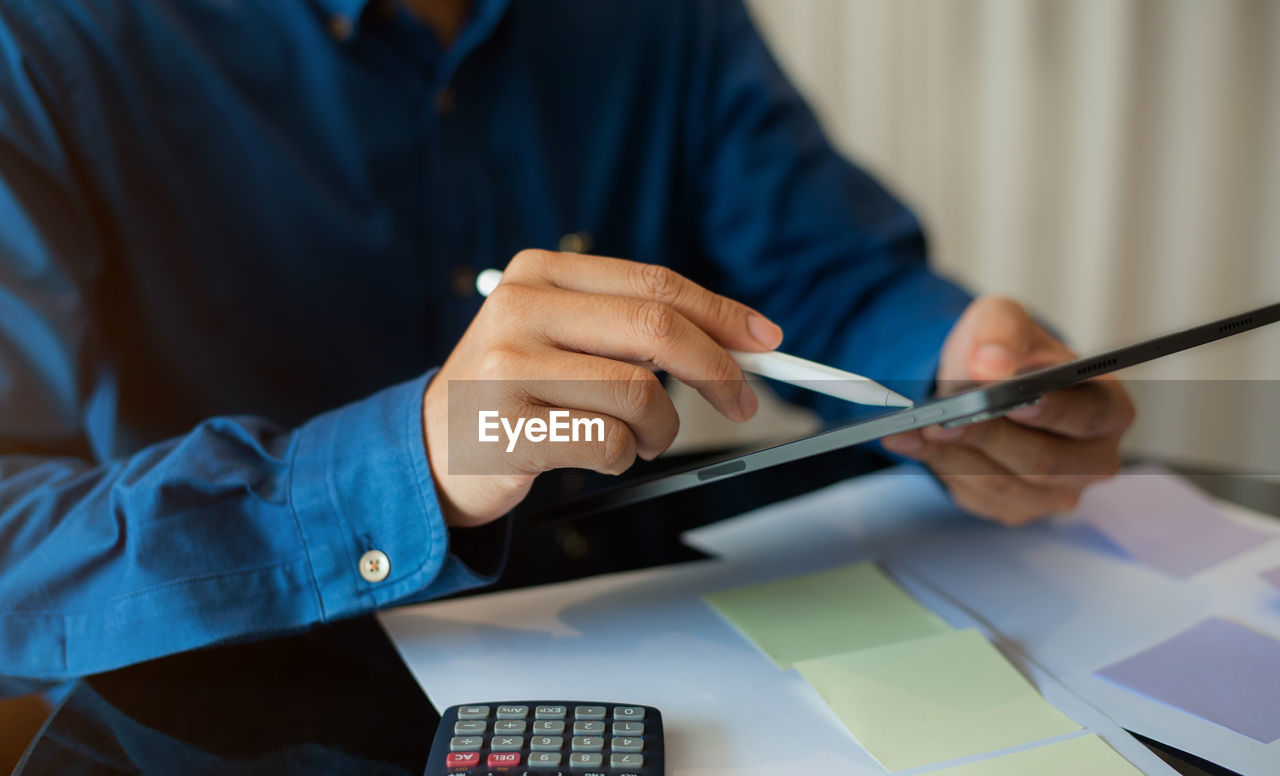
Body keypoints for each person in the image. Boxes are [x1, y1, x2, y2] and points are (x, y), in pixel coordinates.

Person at [0, 0, 1133, 690]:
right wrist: (415, 465)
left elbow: (822, 272)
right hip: (237, 741)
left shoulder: (655, 19)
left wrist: (948, 367)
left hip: (651, 662)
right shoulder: (42, 47)